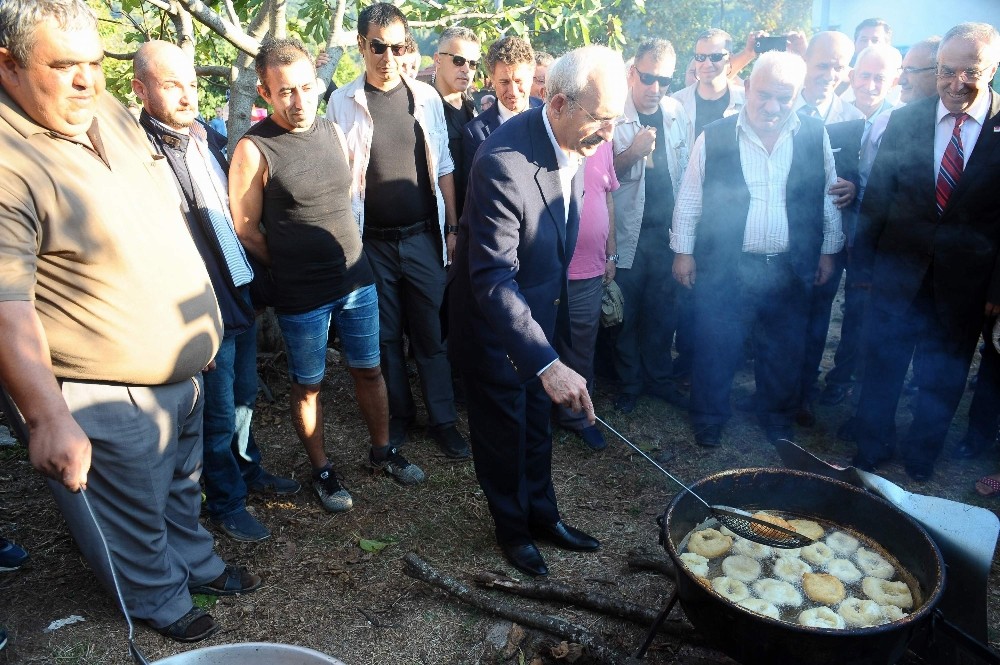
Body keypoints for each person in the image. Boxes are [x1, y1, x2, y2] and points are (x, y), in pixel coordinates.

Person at [0, 0, 259, 643]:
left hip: (181, 364)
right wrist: (49, 418)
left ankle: (194, 564)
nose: (88, 81)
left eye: (95, 63)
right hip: (99, 385)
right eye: (64, 66)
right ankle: (158, 599)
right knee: (133, 509)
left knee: (180, 486)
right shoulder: (7, 158)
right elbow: (5, 304)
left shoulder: (106, 110)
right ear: (7, 64)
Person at [447, 46, 628, 577]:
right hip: (496, 333)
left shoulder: (576, 139)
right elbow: (492, 276)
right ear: (558, 103)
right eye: (601, 120)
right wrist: (546, 362)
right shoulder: (504, 164)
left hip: (537, 320)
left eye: (616, 121)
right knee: (503, 436)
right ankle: (512, 529)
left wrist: (548, 354)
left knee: (537, 428)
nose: (610, 135)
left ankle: (544, 516)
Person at [230, 38, 424, 511]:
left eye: (305, 88)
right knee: (309, 382)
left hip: (356, 280)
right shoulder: (254, 150)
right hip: (302, 294)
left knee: (370, 367)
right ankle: (322, 470)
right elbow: (245, 227)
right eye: (284, 92)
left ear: (317, 83)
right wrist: (288, 263)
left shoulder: (333, 131)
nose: (298, 102)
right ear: (264, 93)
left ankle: (383, 451)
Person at [132, 41, 300, 542]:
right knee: (218, 411)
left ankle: (249, 472)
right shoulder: (143, 155)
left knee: (244, 397)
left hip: (239, 290)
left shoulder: (207, 136)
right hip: (204, 309)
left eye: (191, 83)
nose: (187, 96)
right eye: (171, 85)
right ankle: (226, 502)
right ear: (140, 90)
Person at [849, 22, 1000, 482]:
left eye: (971, 72)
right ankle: (871, 446)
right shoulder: (907, 119)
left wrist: (998, 288)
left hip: (966, 282)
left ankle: (921, 455)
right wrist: (863, 267)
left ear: (992, 69)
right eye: (947, 71)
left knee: (945, 371)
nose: (957, 83)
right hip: (897, 271)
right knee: (882, 363)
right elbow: (878, 197)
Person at [671, 51, 844, 447]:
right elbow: (690, 198)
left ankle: (776, 417)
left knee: (783, 348)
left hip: (789, 265)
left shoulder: (815, 134)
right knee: (717, 342)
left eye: (784, 98)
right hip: (727, 264)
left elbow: (827, 198)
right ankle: (709, 417)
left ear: (797, 96)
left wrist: (829, 251)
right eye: (764, 95)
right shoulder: (714, 135)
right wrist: (683, 251)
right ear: (746, 88)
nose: (773, 107)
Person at [327, 3, 468, 459]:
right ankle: (400, 418)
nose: (388, 56)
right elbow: (336, 176)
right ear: (361, 45)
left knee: (430, 333)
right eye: (377, 46)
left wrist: (453, 226)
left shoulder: (425, 99)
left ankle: (444, 421)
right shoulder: (342, 103)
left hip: (424, 236)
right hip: (372, 243)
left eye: (397, 46)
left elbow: (443, 164)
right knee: (386, 336)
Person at [821, 37, 942, 410]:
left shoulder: (897, 117)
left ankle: (848, 380)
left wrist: (858, 190)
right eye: (865, 75)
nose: (871, 84)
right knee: (822, 302)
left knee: (860, 312)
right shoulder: (829, 108)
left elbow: (882, 182)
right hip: (828, 225)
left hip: (873, 234)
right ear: (853, 75)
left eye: (882, 77)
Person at [611, 38, 691, 414]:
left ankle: (659, 380)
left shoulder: (677, 113)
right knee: (625, 313)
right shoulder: (611, 114)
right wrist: (633, 152)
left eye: (665, 80)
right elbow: (598, 178)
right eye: (647, 77)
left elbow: (689, 176)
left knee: (663, 311)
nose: (655, 88)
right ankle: (629, 384)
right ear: (632, 74)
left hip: (666, 234)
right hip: (627, 233)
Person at [555, 139, 619, 450]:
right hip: (547, 268)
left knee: (582, 344)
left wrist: (612, 253)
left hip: (590, 266)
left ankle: (578, 417)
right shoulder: (546, 137)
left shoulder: (605, 143)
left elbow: (606, 197)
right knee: (539, 340)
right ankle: (537, 415)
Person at [461, 36, 538, 168]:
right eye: (504, 82)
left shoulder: (550, 114)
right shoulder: (475, 133)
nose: (513, 91)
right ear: (493, 80)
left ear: (531, 77)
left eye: (519, 81)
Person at [433, 26, 480, 217]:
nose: (466, 69)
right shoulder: (422, 108)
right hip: (435, 224)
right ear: (438, 59)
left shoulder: (473, 108)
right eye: (458, 60)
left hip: (473, 220)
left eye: (473, 63)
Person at [673, 29, 745, 138]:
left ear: (729, 59)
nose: (707, 64)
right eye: (700, 57)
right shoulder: (677, 103)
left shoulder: (747, 102)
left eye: (715, 57)